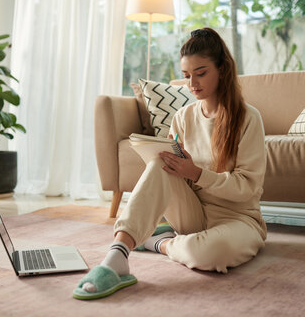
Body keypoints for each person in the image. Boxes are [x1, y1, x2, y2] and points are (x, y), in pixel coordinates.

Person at [73, 27, 267, 300]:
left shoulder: (249, 118)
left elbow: (247, 188)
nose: (192, 83)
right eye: (187, 75)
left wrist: (197, 174)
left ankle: (158, 242)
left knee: (210, 254)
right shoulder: (183, 117)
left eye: (201, 73)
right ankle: (116, 257)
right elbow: (172, 175)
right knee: (160, 163)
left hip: (238, 219)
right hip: (193, 214)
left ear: (222, 70)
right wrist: (174, 163)